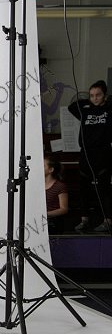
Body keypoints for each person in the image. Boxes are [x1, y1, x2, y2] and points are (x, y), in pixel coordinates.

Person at [68, 80, 112, 233]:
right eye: (91, 95)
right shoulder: (85, 109)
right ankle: (84, 220)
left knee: (104, 189)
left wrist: (107, 101)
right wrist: (89, 102)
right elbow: (72, 107)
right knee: (83, 188)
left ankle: (107, 221)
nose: (95, 98)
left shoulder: (109, 109)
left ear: (104, 95)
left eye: (98, 95)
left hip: (103, 153)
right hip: (86, 153)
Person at [44, 153, 68, 234]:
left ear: (51, 170)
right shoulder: (38, 186)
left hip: (53, 223)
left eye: (43, 166)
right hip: (39, 222)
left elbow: (64, 209)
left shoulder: (59, 186)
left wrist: (46, 214)